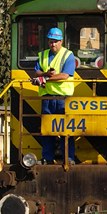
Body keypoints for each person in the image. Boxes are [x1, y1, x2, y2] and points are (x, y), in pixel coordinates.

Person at [32, 27, 76, 163]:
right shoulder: (43, 55)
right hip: (47, 97)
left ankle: (68, 158)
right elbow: (36, 73)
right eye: (51, 41)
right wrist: (44, 74)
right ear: (48, 41)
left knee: (66, 130)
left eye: (56, 41)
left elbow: (65, 75)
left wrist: (45, 79)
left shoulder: (68, 55)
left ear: (61, 41)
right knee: (47, 130)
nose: (53, 44)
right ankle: (47, 158)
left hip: (63, 98)